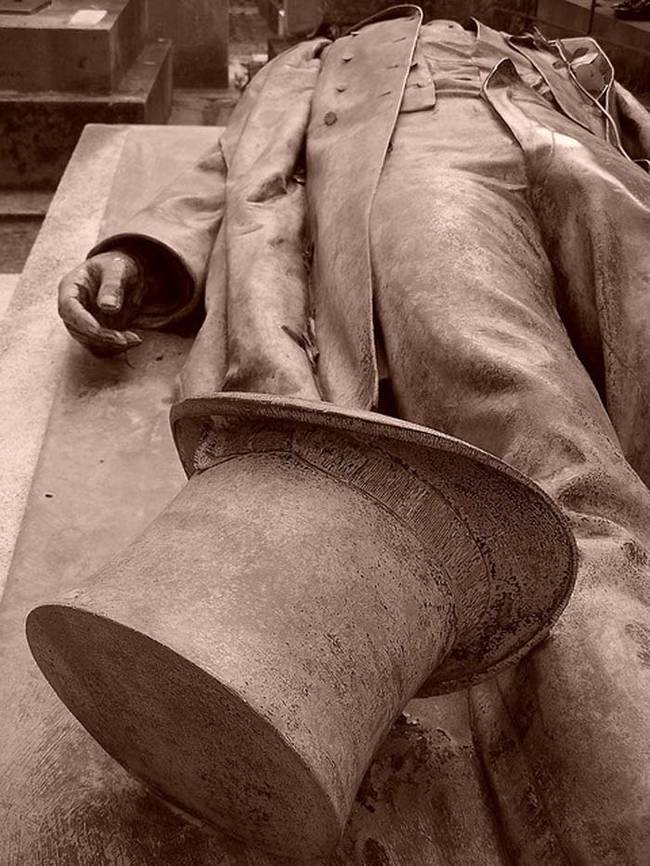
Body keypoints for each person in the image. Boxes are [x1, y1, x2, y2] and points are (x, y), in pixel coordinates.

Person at [56, 4, 650, 861]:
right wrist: (144, 251)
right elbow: (229, 167)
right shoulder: (326, 57)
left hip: (595, 175)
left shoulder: (553, 50)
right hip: (423, 166)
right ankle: (617, 797)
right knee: (546, 451)